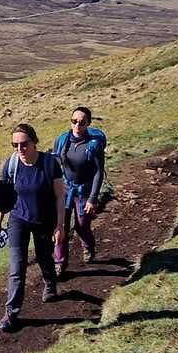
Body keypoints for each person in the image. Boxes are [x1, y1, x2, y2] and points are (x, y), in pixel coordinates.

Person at [0, 123, 65, 332]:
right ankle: (11, 313)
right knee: (17, 266)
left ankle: (50, 283)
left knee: (44, 257)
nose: (20, 149)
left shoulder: (49, 163)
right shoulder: (11, 164)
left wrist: (60, 225)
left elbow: (60, 196)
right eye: (15, 144)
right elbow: (3, 194)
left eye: (24, 144)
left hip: (44, 219)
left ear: (34, 142)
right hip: (18, 220)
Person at [53, 106, 108, 272]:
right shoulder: (63, 140)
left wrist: (93, 198)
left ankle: (88, 246)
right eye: (74, 121)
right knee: (60, 225)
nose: (77, 125)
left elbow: (99, 172)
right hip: (65, 189)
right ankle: (59, 262)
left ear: (88, 123)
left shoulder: (94, 145)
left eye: (82, 122)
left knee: (82, 225)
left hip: (84, 190)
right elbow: (56, 163)